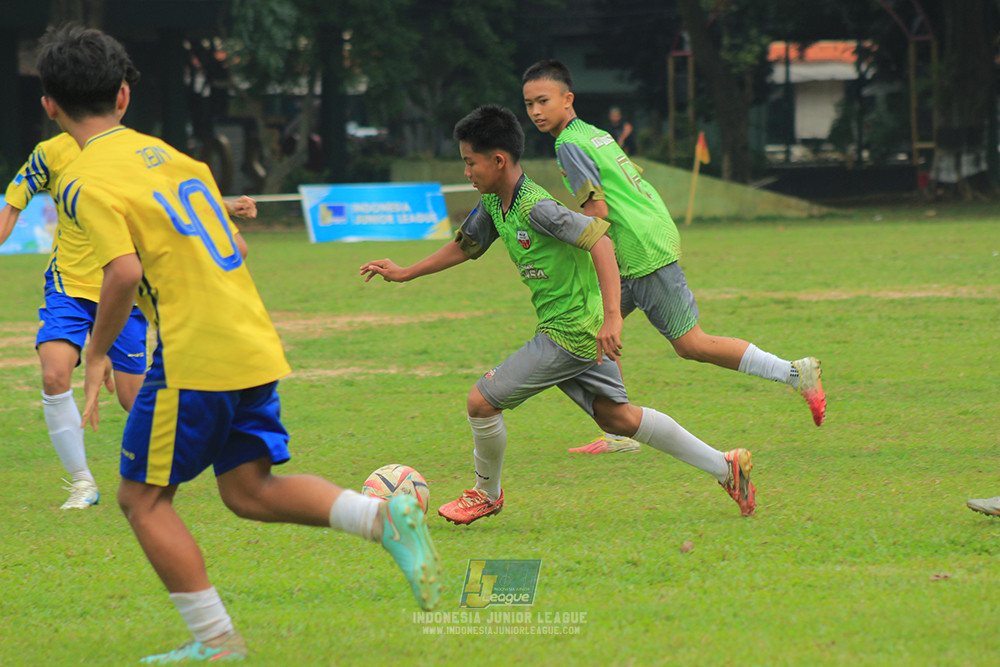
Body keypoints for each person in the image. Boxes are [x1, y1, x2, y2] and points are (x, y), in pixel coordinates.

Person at [36, 24, 441, 663]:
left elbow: (123, 272)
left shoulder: (80, 179)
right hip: (250, 339)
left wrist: (98, 351)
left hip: (193, 352)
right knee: (249, 490)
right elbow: (239, 248)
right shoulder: (176, 160)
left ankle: (216, 641)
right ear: (123, 96)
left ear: (49, 107)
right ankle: (383, 518)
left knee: (141, 498)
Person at [360, 104, 756, 527]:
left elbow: (600, 241)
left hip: (570, 332)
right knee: (617, 417)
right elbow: (466, 245)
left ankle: (486, 494)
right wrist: (405, 272)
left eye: (470, 162)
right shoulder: (494, 202)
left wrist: (613, 317)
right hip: (574, 325)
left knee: (481, 401)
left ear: (498, 161)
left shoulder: (537, 207)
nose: (466, 172)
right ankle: (725, 466)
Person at [521, 59, 826, 455]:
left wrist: (562, 237)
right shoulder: (594, 134)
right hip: (641, 240)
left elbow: (597, 212)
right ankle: (620, 431)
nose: (536, 111)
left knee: (691, 344)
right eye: (529, 104)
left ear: (567, 99)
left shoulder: (568, 145)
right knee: (590, 325)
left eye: (543, 101)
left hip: (639, 250)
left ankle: (794, 373)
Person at [1, 133, 257, 510]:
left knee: (132, 399)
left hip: (123, 288)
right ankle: (82, 481)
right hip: (68, 286)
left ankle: (209, 438)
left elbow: (166, 196)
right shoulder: (49, 153)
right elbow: (11, 208)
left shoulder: (134, 149)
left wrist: (227, 206)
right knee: (54, 374)